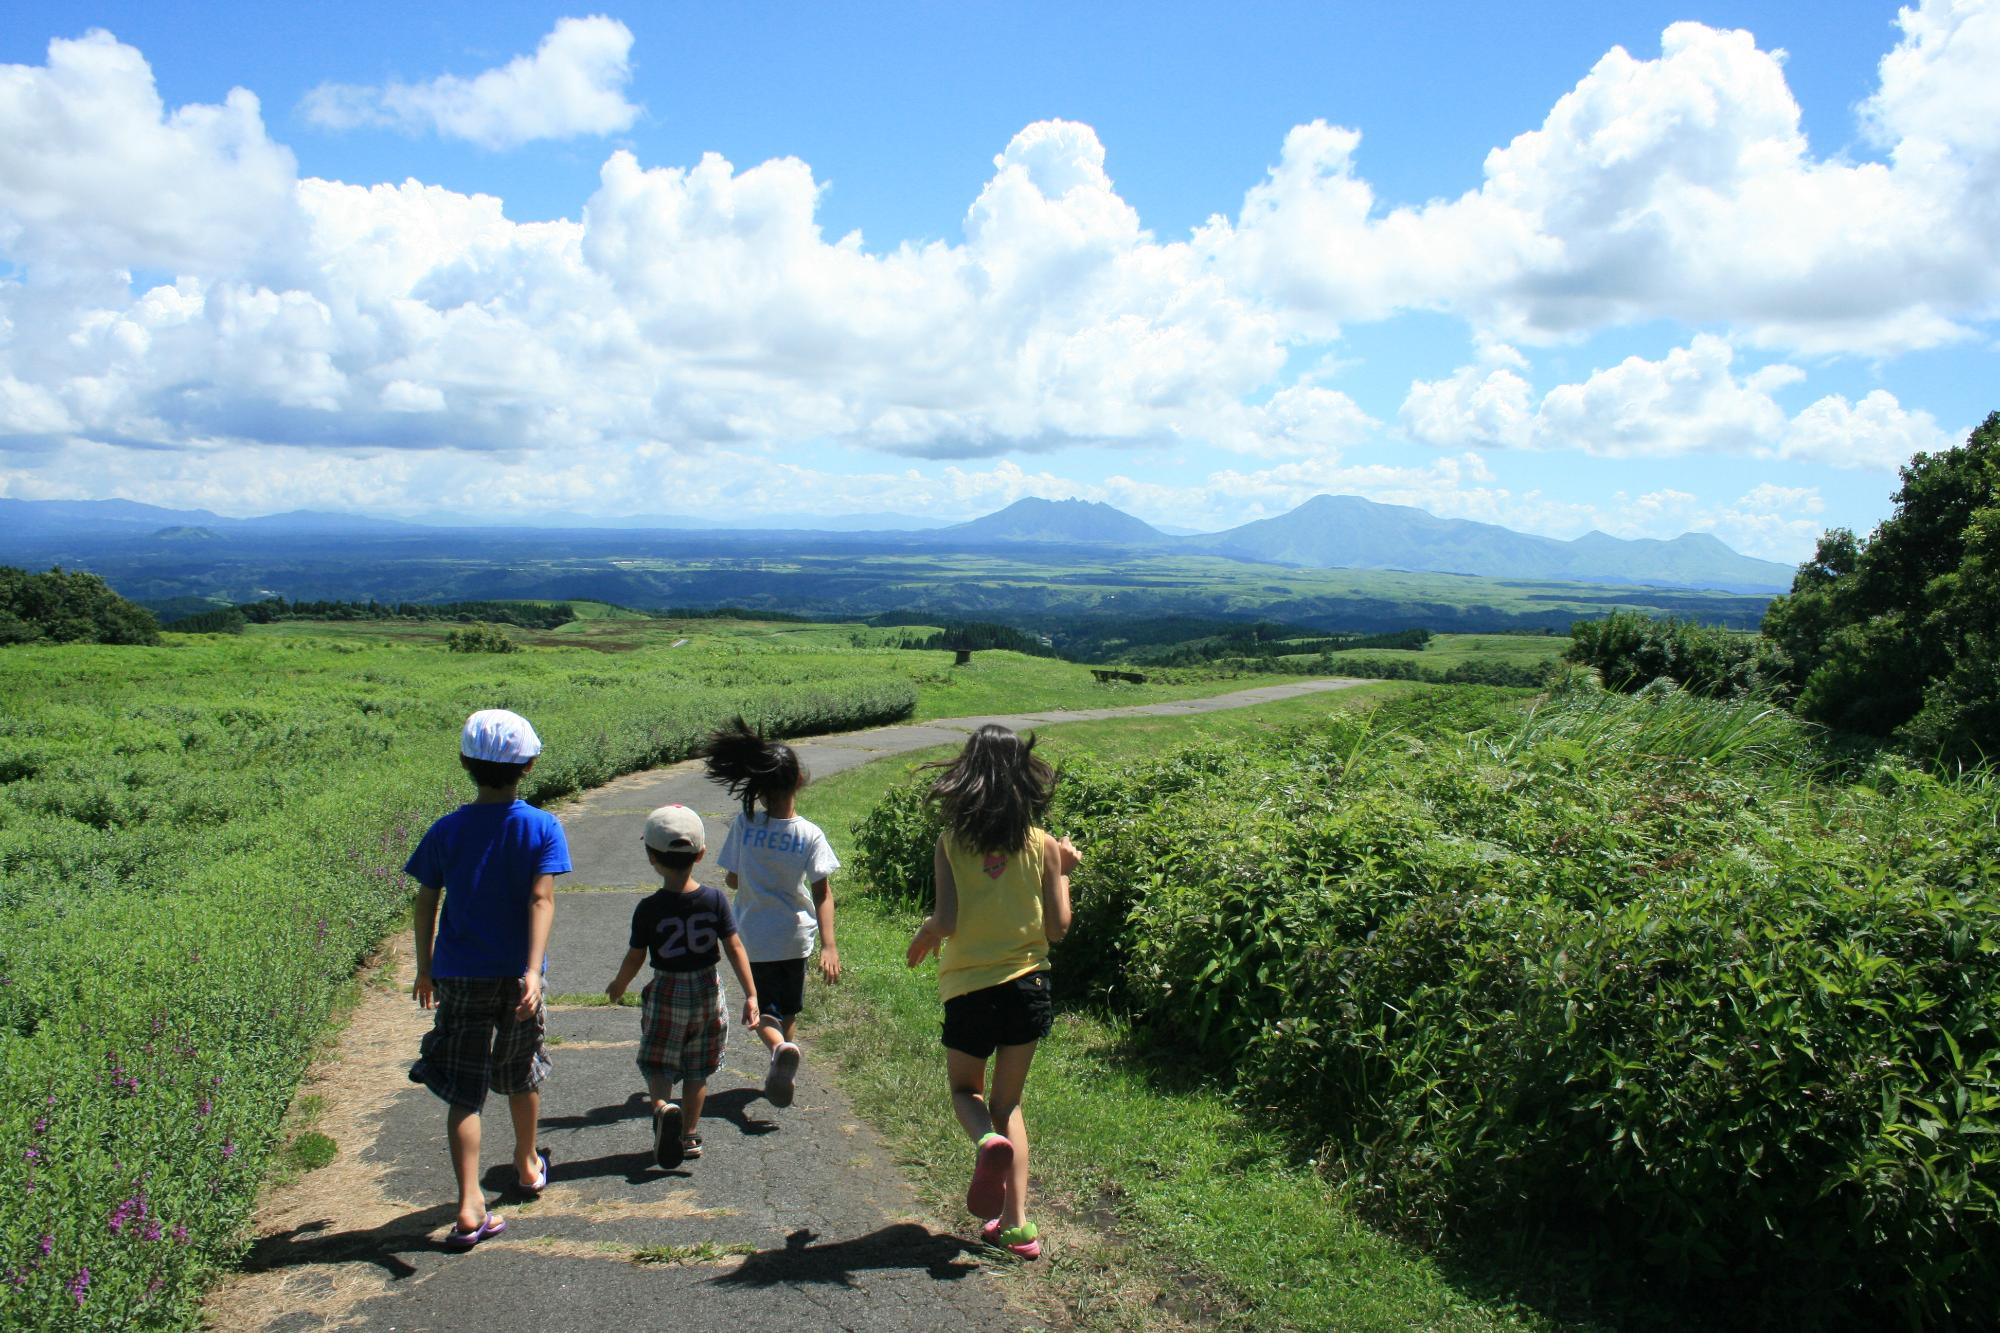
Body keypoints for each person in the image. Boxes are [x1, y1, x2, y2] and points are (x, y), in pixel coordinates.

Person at [906, 724, 1078, 1260]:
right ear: (1025, 779)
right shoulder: (1043, 843)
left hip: (970, 989)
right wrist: (1065, 870)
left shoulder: (951, 842)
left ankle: (985, 1143)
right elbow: (1058, 928)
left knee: (966, 1093)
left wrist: (928, 932)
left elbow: (950, 919)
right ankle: (1019, 1228)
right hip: (1030, 985)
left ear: (967, 777)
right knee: (1010, 1102)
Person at [406, 708, 570, 1249]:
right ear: (529, 765)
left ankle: (469, 1203)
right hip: (518, 976)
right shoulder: (542, 826)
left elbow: (427, 899)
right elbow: (540, 898)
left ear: (464, 764)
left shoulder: (446, 830)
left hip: (458, 974)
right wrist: (532, 970)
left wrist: (425, 967)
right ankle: (526, 1165)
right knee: (522, 1070)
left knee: (465, 1088)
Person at [605, 804, 760, 1169]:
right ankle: (689, 1135)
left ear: (650, 857)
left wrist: (619, 984)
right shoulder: (715, 899)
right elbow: (734, 948)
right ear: (702, 853)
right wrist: (751, 994)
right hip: (707, 990)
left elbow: (636, 957)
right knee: (697, 1068)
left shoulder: (648, 908)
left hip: (668, 991)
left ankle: (661, 1108)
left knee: (659, 1062)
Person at [702, 718, 841, 1109]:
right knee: (788, 1008)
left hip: (754, 938)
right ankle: (784, 1058)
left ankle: (779, 1051)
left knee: (762, 1011)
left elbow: (731, 879)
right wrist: (829, 945)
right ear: (799, 780)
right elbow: (823, 891)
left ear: (760, 789)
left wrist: (749, 878)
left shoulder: (745, 825)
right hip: (795, 937)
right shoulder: (809, 833)